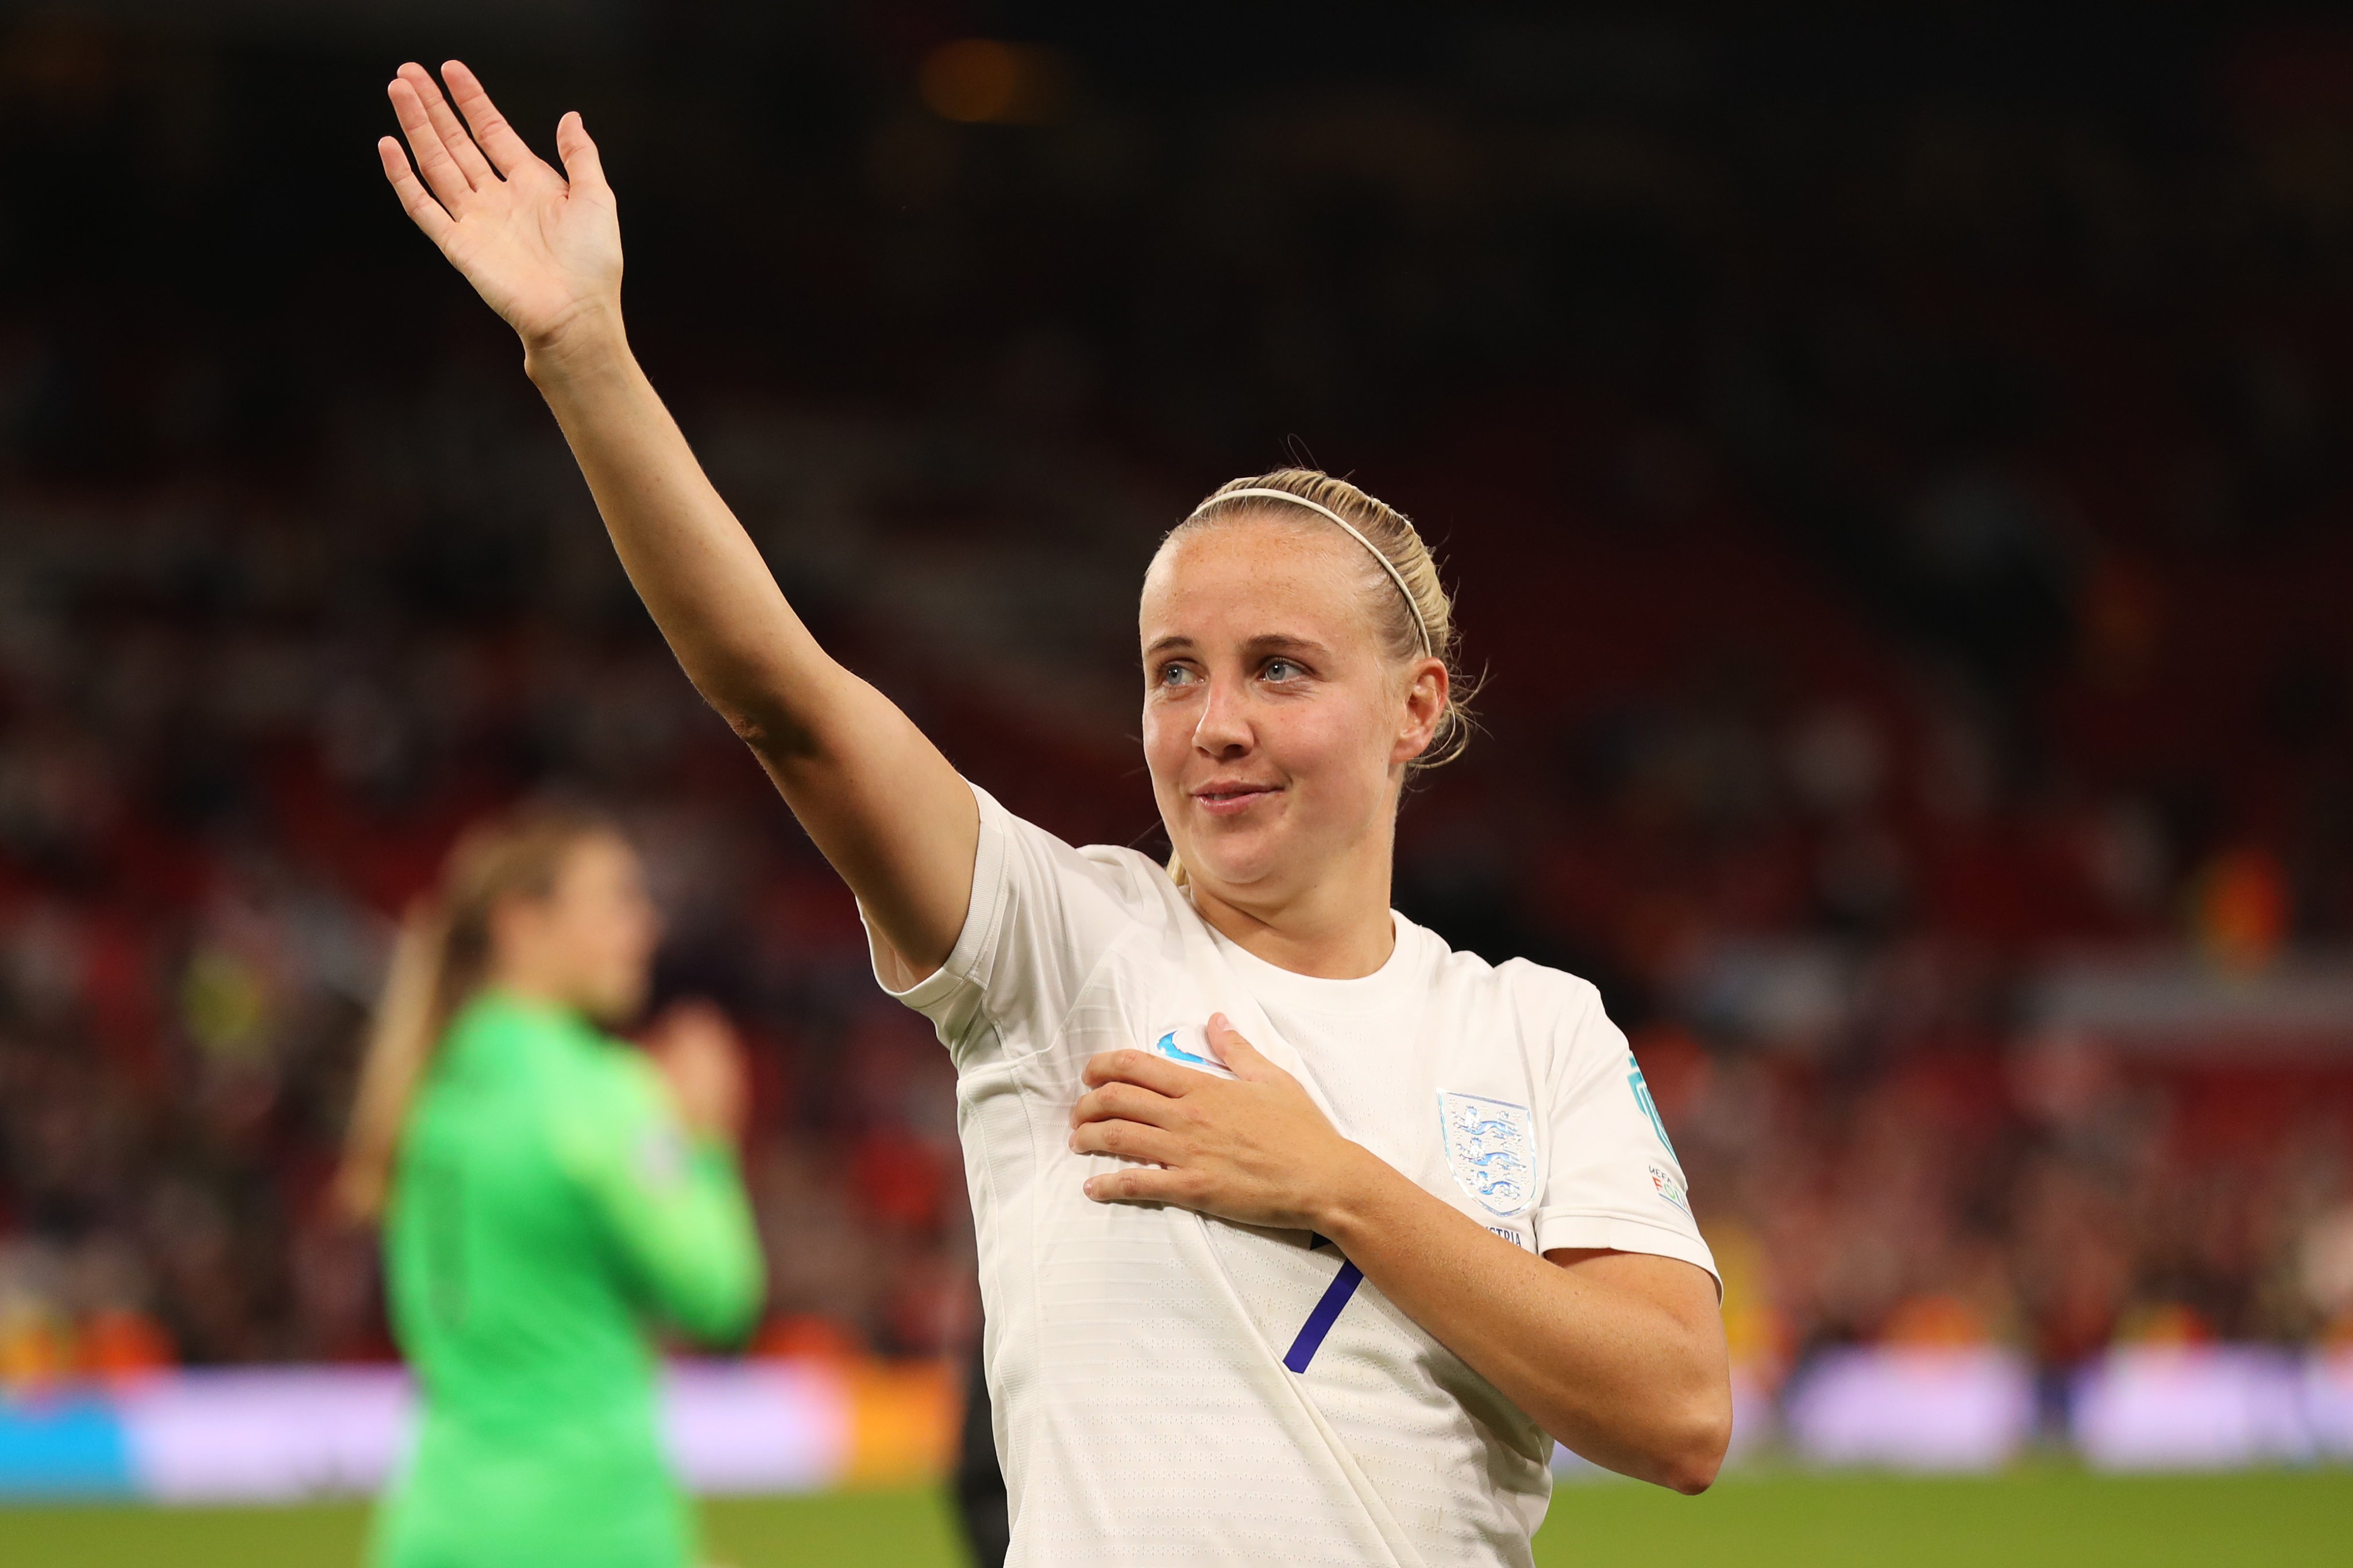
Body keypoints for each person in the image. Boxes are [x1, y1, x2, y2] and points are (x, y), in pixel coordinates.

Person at [375, 60, 1731, 1567]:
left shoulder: (1537, 1031)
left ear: (1418, 707)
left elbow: (1678, 1414)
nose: (1215, 722)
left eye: (1279, 668)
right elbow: (790, 704)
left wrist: (1334, 1180)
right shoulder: (1058, 942)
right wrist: (586, 358)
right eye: (1174, 672)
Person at [337, 805, 764, 1568]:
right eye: (617, 901)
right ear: (522, 924)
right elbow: (719, 1292)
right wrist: (706, 1140)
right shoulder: (598, 1094)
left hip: (434, 1525)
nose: (647, 926)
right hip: (589, 1525)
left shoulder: (426, 1086)